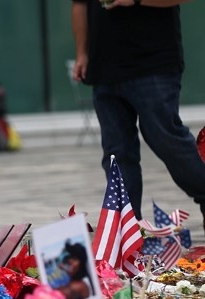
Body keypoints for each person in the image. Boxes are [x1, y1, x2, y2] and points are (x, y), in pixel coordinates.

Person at [70, 0, 205, 225]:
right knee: (116, 151)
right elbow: (79, 4)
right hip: (104, 66)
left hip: (152, 61)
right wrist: (82, 53)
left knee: (165, 138)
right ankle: (128, 229)